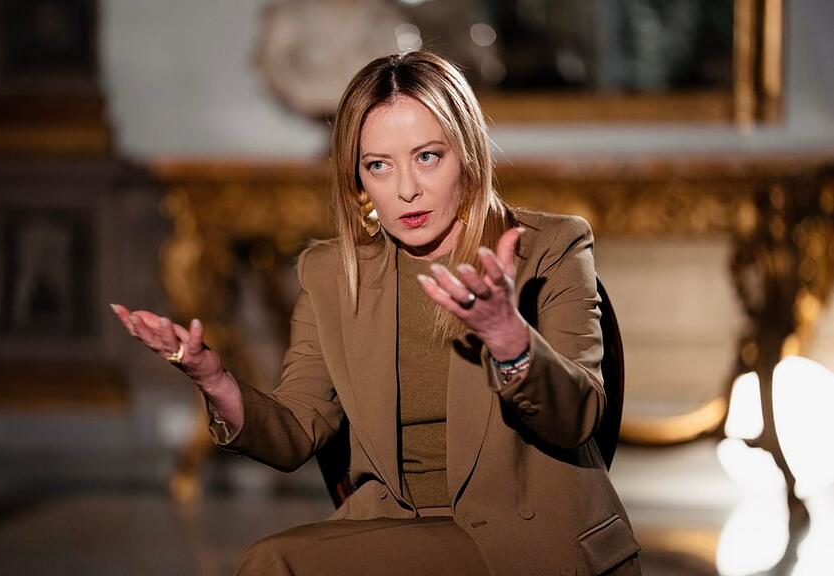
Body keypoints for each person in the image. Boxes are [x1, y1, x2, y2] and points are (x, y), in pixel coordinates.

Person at [111, 51, 641, 575]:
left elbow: (577, 420)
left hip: (527, 541)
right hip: (398, 528)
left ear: (468, 155)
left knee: (272, 562)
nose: (406, 189)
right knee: (274, 558)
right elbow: (295, 431)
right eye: (379, 166)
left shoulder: (550, 247)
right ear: (358, 180)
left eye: (427, 157)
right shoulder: (331, 274)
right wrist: (215, 380)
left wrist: (509, 338)